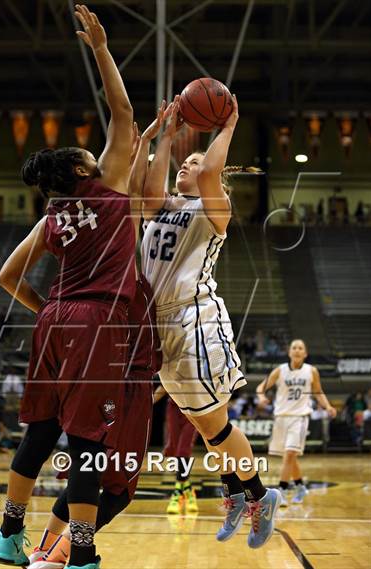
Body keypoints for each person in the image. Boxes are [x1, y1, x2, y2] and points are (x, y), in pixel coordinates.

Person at [0, 6, 136, 569]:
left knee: (42, 428)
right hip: (96, 322)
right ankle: (80, 553)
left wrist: (46, 307)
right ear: (83, 171)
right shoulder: (106, 189)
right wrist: (101, 47)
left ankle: (9, 535)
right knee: (85, 444)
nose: (94, 153)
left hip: (53, 320)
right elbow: (121, 111)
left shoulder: (52, 213)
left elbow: (7, 276)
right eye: (86, 155)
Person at [25, 98, 165, 569]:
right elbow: (123, 121)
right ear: (86, 172)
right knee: (112, 479)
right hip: (120, 362)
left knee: (84, 456)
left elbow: (139, 168)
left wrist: (153, 141)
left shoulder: (75, 213)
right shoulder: (115, 208)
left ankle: (43, 548)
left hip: (82, 338)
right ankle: (67, 555)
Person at [141, 94, 280, 549]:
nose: (188, 167)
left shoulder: (212, 211)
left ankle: (259, 495)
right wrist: (166, 135)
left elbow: (207, 175)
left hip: (194, 321)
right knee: (206, 427)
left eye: (197, 164)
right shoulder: (160, 208)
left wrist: (229, 123)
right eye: (185, 164)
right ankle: (235, 491)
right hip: (160, 328)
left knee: (215, 426)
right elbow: (149, 187)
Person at [256, 339, 337, 506]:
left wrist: (328, 406)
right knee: (289, 458)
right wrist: (262, 397)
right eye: (294, 348)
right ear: (289, 352)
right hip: (281, 417)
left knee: (290, 454)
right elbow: (260, 388)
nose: (297, 350)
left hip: (300, 417)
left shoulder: (311, 371)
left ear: (305, 353)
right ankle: (300, 486)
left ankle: (283, 491)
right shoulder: (280, 371)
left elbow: (318, 392)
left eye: (301, 348)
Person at [154, 385, 198, 515]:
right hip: (174, 407)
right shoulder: (171, 365)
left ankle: (177, 493)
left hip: (194, 409)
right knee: (174, 449)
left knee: (183, 450)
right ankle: (189, 491)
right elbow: (164, 385)